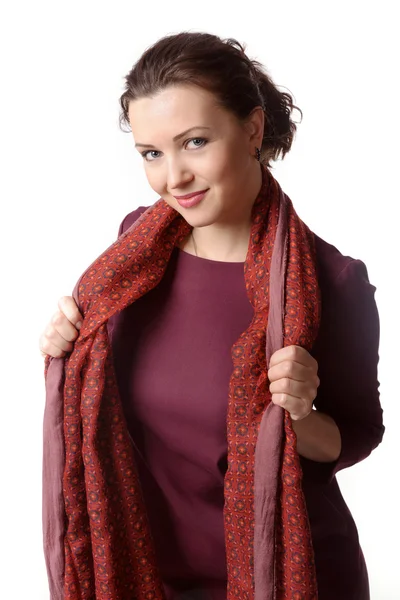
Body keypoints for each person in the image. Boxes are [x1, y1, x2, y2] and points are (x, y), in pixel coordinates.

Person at [39, 32, 384, 600]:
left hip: (287, 576)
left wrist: (297, 414)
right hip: (145, 575)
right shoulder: (132, 253)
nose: (173, 177)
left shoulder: (331, 279)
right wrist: (66, 347)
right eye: (152, 153)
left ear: (251, 130)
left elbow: (358, 434)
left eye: (194, 142)